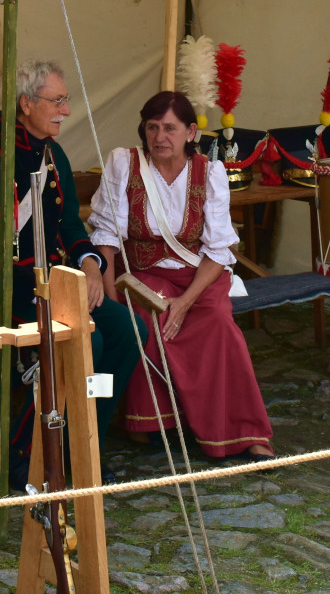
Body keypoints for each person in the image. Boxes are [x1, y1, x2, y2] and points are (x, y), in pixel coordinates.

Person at [0, 60, 145, 487]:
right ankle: (28, 455)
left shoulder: (52, 154)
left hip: (57, 283)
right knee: (86, 339)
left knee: (130, 331)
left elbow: (70, 225)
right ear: (26, 104)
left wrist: (90, 266)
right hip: (2, 289)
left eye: (65, 100)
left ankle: (85, 442)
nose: (66, 111)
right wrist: (49, 290)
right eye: (57, 101)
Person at [88, 90, 273, 460]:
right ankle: (153, 423)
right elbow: (106, 239)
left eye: (170, 128)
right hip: (141, 273)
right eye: (152, 127)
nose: (160, 137)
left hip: (198, 277)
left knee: (218, 324)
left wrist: (185, 302)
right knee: (146, 318)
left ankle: (242, 431)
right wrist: (112, 301)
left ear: (191, 132)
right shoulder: (124, 163)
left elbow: (218, 250)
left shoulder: (211, 172)